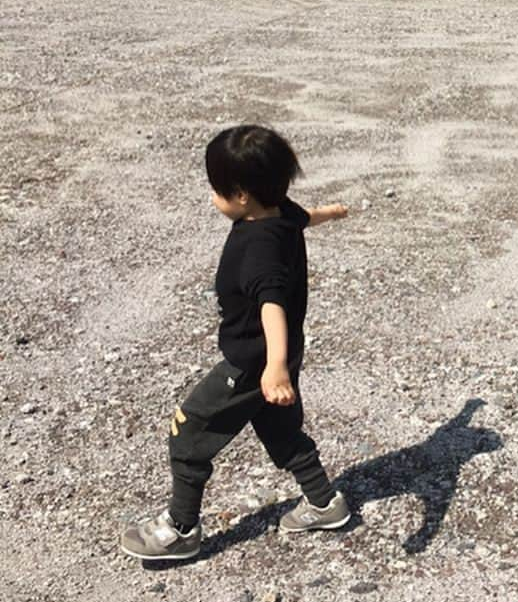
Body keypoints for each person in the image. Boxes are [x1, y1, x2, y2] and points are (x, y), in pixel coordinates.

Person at [120, 125, 350, 561]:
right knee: (281, 432)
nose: (212, 197)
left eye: (217, 190)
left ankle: (181, 529)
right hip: (275, 359)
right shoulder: (280, 211)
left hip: (252, 363)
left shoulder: (257, 246)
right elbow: (305, 218)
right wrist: (330, 213)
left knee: (188, 433)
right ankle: (324, 502)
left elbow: (272, 306)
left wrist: (275, 366)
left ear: (242, 194)